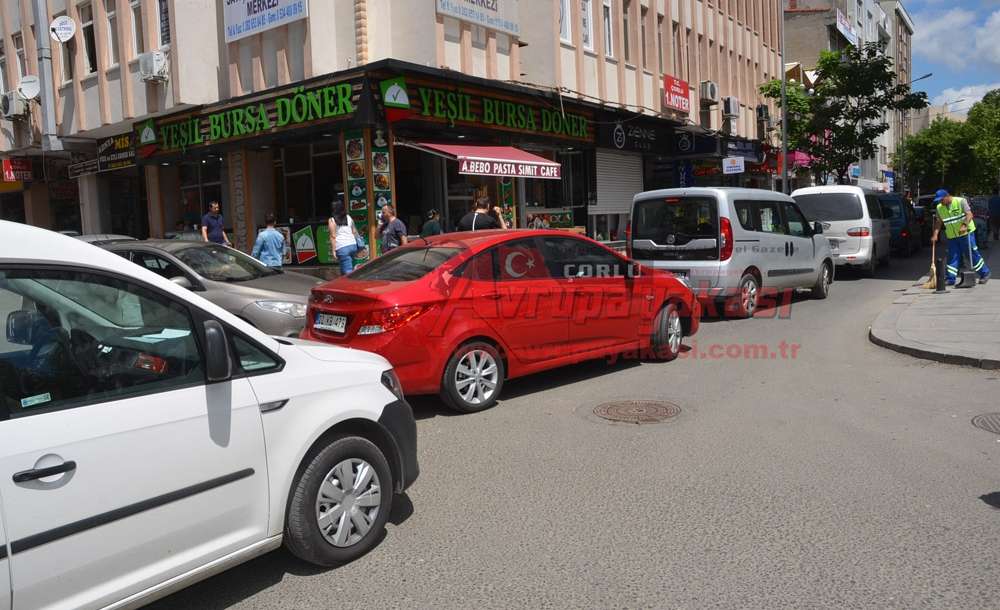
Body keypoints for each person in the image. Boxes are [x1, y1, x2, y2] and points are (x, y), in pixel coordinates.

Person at [931, 188, 990, 285]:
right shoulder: (939, 207)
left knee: (971, 254)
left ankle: (985, 273)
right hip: (952, 236)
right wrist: (935, 234)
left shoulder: (961, 201)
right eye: (939, 201)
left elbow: (969, 215)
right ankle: (950, 278)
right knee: (952, 256)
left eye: (942, 199)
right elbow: (938, 222)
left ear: (947, 196)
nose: (940, 202)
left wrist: (964, 225)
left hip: (966, 234)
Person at [329, 200, 360, 274]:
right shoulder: (349, 217)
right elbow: (354, 231)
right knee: (346, 268)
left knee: (347, 271)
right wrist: (359, 242)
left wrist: (333, 250)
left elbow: (333, 236)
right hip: (353, 245)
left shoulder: (332, 220)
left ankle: (350, 284)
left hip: (342, 247)